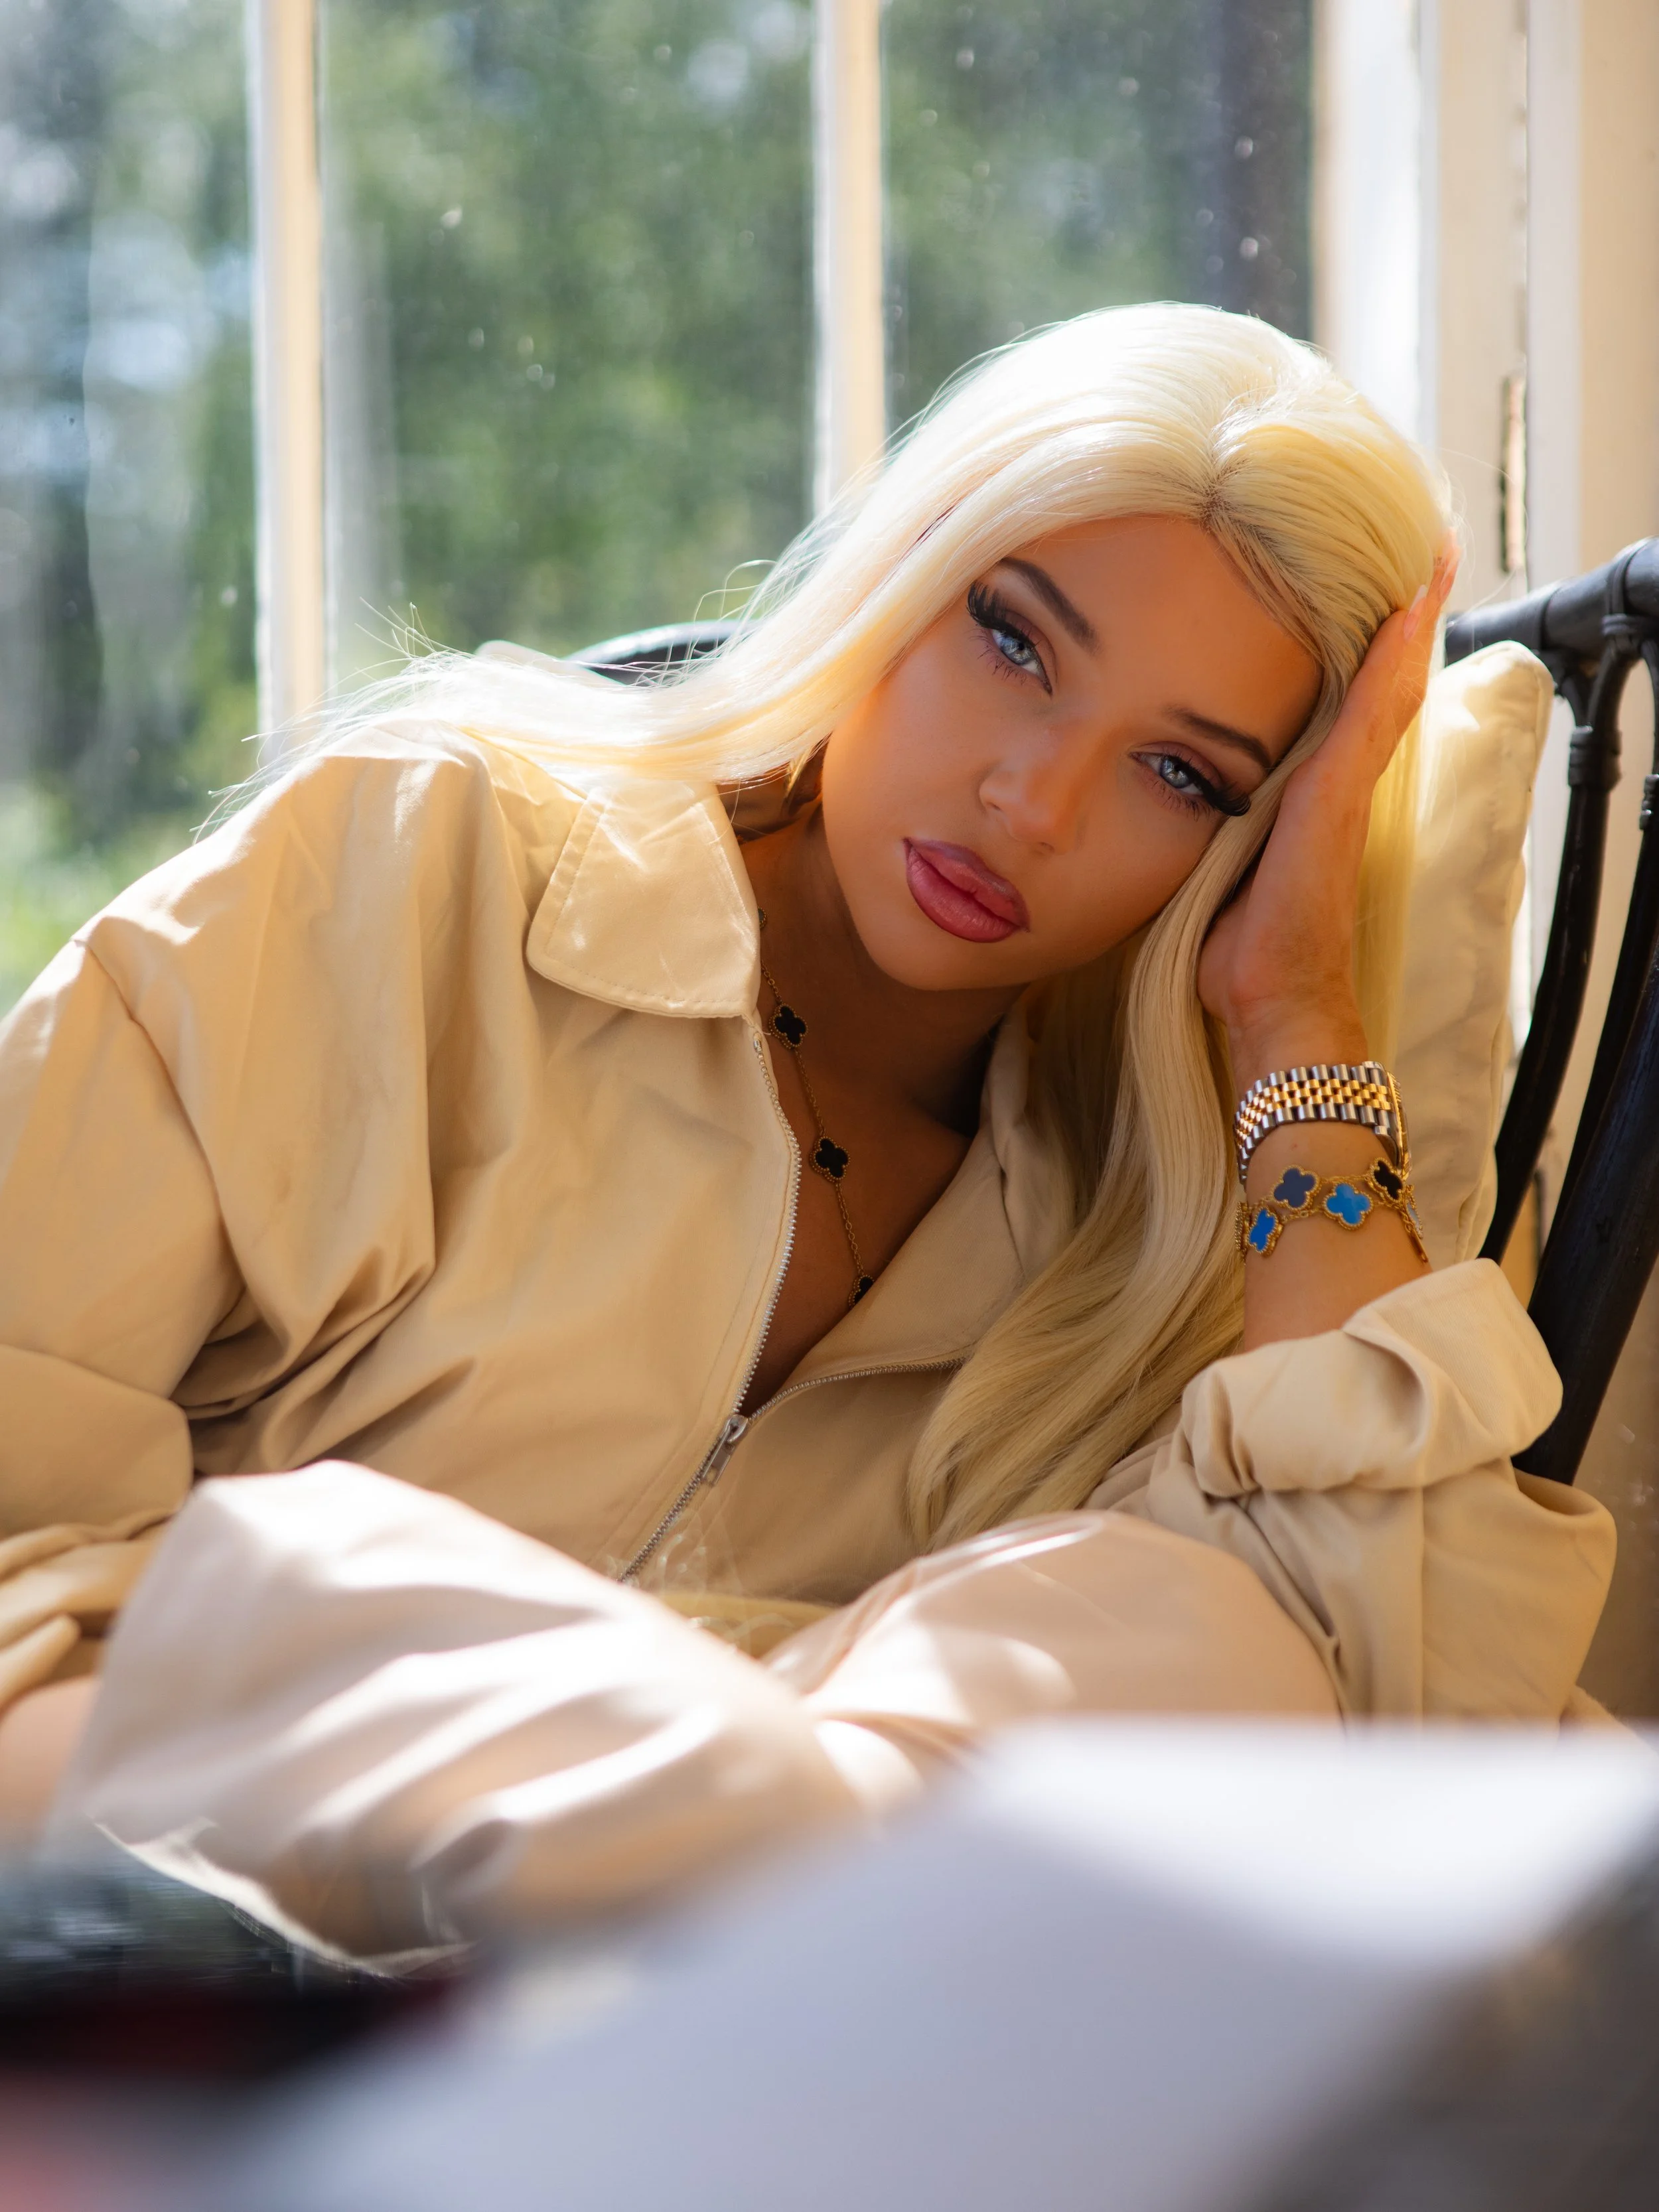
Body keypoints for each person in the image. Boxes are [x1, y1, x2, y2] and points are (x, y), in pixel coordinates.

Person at [0, 307, 1613, 1949]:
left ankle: (763, 1855)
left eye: (1180, 776)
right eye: (1013, 642)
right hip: (218, 1863)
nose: (1033, 804)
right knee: (346, 1600)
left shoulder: (1161, 1226)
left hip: (759, 2012)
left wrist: (1295, 1016)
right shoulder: (429, 861)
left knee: (1200, 1626)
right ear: (903, 567)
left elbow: (1416, 1715)